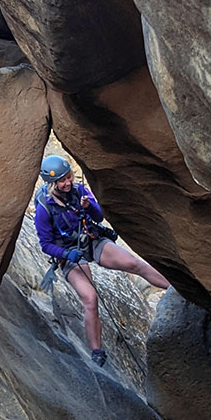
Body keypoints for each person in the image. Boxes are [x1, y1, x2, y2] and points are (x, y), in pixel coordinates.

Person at [33, 154, 170, 367]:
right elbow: (46, 244)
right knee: (90, 298)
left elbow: (98, 217)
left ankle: (175, 290)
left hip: (92, 240)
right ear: (52, 184)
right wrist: (66, 255)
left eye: (68, 177)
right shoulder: (44, 208)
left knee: (135, 264)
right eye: (62, 180)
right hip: (69, 253)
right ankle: (97, 351)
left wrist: (88, 206)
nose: (68, 182)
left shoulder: (79, 191)